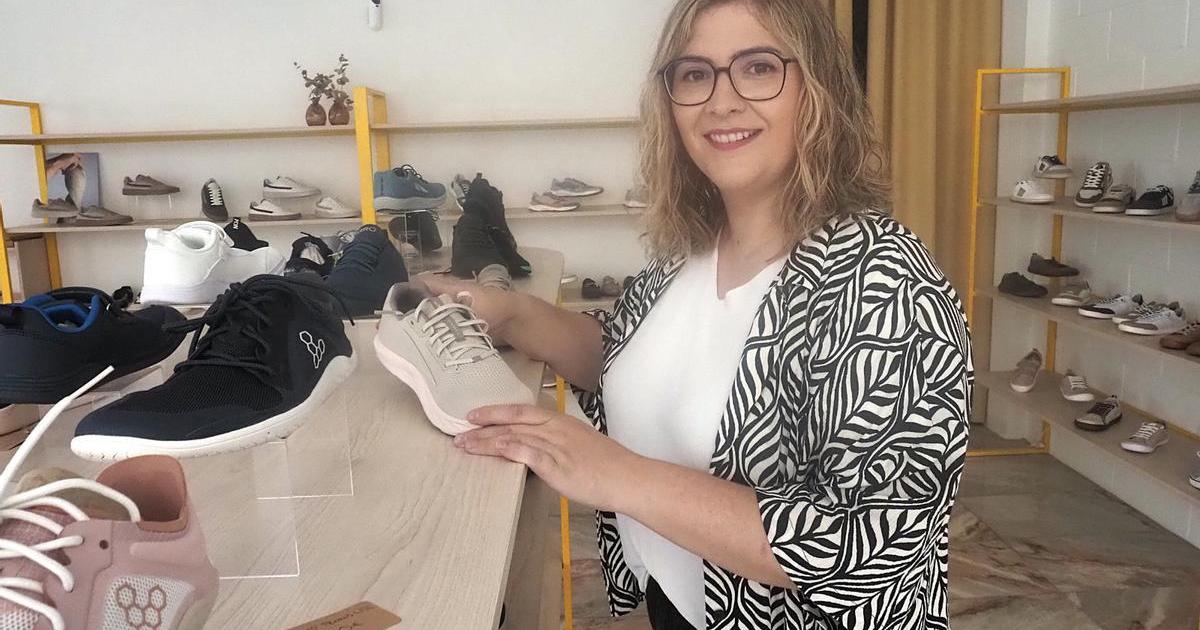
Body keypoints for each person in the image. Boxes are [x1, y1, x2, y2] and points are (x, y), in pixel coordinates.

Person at [420, 1, 972, 628]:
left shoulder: (885, 283)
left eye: (758, 67)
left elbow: (871, 542)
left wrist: (617, 475)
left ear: (818, 88)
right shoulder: (686, 252)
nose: (721, 101)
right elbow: (630, 359)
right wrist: (512, 315)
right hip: (680, 600)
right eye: (694, 74)